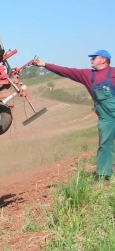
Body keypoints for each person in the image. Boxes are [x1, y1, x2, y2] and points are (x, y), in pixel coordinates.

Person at [33, 50, 115, 179]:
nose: (91, 60)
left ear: (103, 60)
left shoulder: (114, 72)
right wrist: (44, 64)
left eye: (94, 58)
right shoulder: (88, 75)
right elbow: (66, 71)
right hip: (106, 117)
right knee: (105, 144)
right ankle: (103, 175)